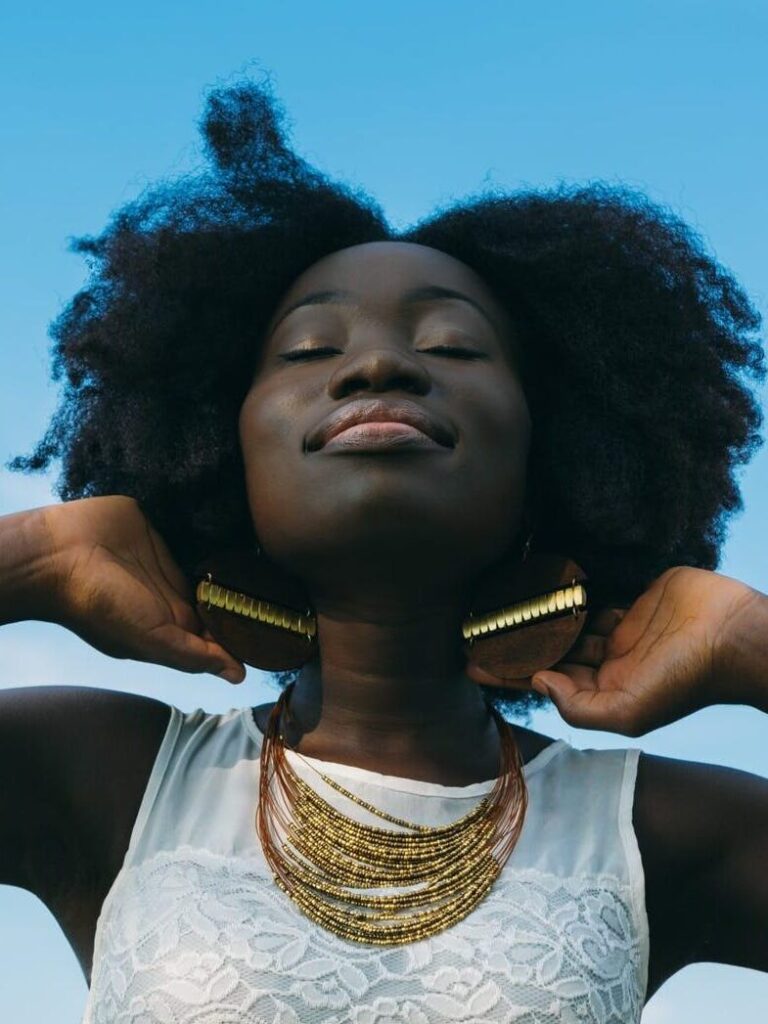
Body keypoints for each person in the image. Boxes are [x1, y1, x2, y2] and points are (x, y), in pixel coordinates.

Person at [1, 76, 767, 1024]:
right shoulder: (98, 773)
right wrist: (28, 562)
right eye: (308, 349)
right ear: (219, 453)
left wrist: (751, 646)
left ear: (556, 448)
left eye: (452, 345)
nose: (377, 365)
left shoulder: (657, 831)